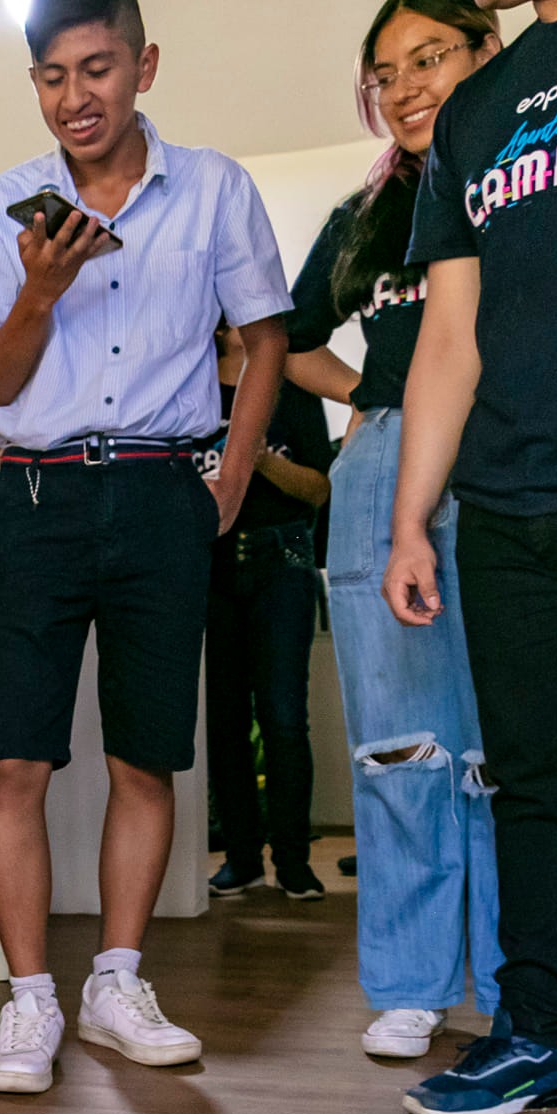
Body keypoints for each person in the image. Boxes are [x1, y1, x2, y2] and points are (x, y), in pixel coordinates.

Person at [0, 0, 290, 1096]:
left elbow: (267, 339)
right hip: (36, 495)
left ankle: (115, 981)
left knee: (147, 755)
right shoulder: (1, 206)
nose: (75, 97)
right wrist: (39, 290)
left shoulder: (214, 189)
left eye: (96, 68)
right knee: (12, 755)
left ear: (143, 65)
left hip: (160, 493)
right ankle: (29, 997)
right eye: (51, 76)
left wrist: (231, 473)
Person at [383, 0, 557, 1114]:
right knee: (539, 785)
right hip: (511, 507)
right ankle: (540, 1035)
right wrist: (413, 518)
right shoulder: (476, 113)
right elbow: (448, 337)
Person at [285, 0, 503, 1062]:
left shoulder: (530, 182)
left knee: (506, 740)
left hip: (506, 454)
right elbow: (284, 339)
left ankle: (517, 980)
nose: (407, 86)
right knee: (399, 743)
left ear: (487, 51)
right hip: (378, 477)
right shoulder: (365, 217)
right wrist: (368, 398)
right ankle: (414, 981)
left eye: (429, 58)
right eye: (386, 73)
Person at [202, 325, 333, 903]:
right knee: (223, 721)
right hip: (209, 568)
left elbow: (319, 488)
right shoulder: (189, 388)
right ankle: (241, 858)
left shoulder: (291, 386)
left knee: (283, 718)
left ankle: (294, 861)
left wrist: (253, 456)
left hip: (284, 560)